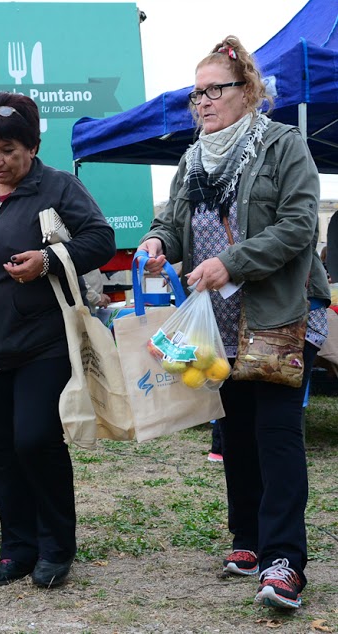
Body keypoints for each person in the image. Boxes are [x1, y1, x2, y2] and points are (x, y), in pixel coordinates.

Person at [138, 37, 329, 610]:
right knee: (235, 433)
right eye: (195, 93)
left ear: (247, 92)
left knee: (275, 437)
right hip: (216, 326)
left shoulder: (281, 145)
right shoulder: (194, 158)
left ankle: (283, 561)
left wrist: (233, 262)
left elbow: (299, 225)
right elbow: (172, 223)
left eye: (213, 90)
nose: (202, 102)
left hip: (278, 316)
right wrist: (155, 242)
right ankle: (247, 538)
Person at [0, 92, 115, 588]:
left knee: (35, 440)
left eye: (8, 149)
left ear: (31, 147)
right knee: (3, 451)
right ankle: (18, 548)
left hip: (41, 345)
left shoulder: (57, 187)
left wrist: (49, 259)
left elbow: (100, 237)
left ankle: (56, 546)